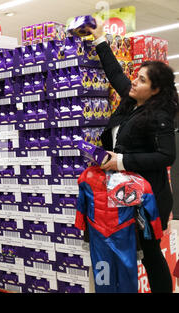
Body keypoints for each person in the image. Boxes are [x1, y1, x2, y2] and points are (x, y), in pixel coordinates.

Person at [86, 19, 178, 293]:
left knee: (150, 255)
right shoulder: (132, 102)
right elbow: (115, 73)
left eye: (141, 80)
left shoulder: (159, 116)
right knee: (125, 250)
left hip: (147, 199)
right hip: (122, 194)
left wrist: (122, 161)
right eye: (136, 77)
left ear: (156, 89)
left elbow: (166, 156)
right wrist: (100, 39)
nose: (134, 82)